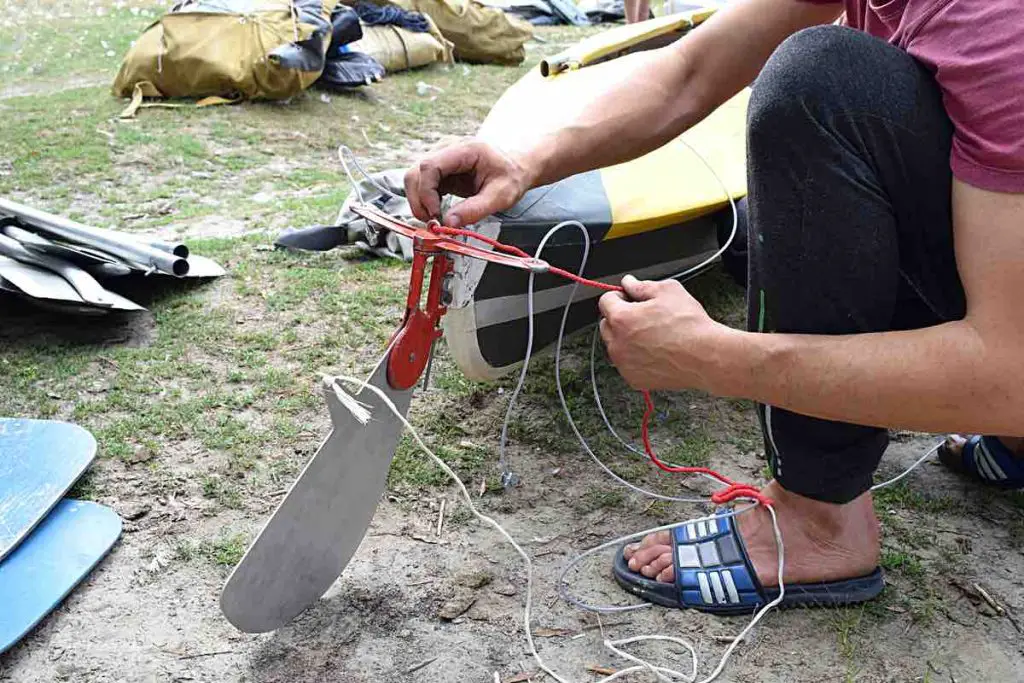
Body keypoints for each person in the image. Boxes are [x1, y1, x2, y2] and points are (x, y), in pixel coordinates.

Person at [404, 0, 1024, 612]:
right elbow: (691, 72)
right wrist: (525, 159)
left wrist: (710, 358)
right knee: (770, 218)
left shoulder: (992, 27)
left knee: (820, 86)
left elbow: (1013, 374)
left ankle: (819, 521)